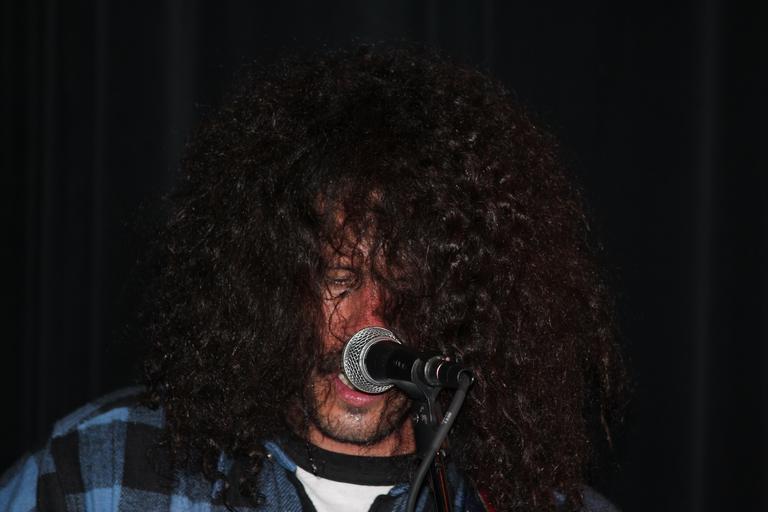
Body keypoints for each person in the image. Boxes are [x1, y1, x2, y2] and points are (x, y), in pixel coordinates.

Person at [0, 45, 626, 511]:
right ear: (271, 280)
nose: (368, 329)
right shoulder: (101, 472)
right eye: (339, 278)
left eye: (405, 289)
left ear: (465, 307)